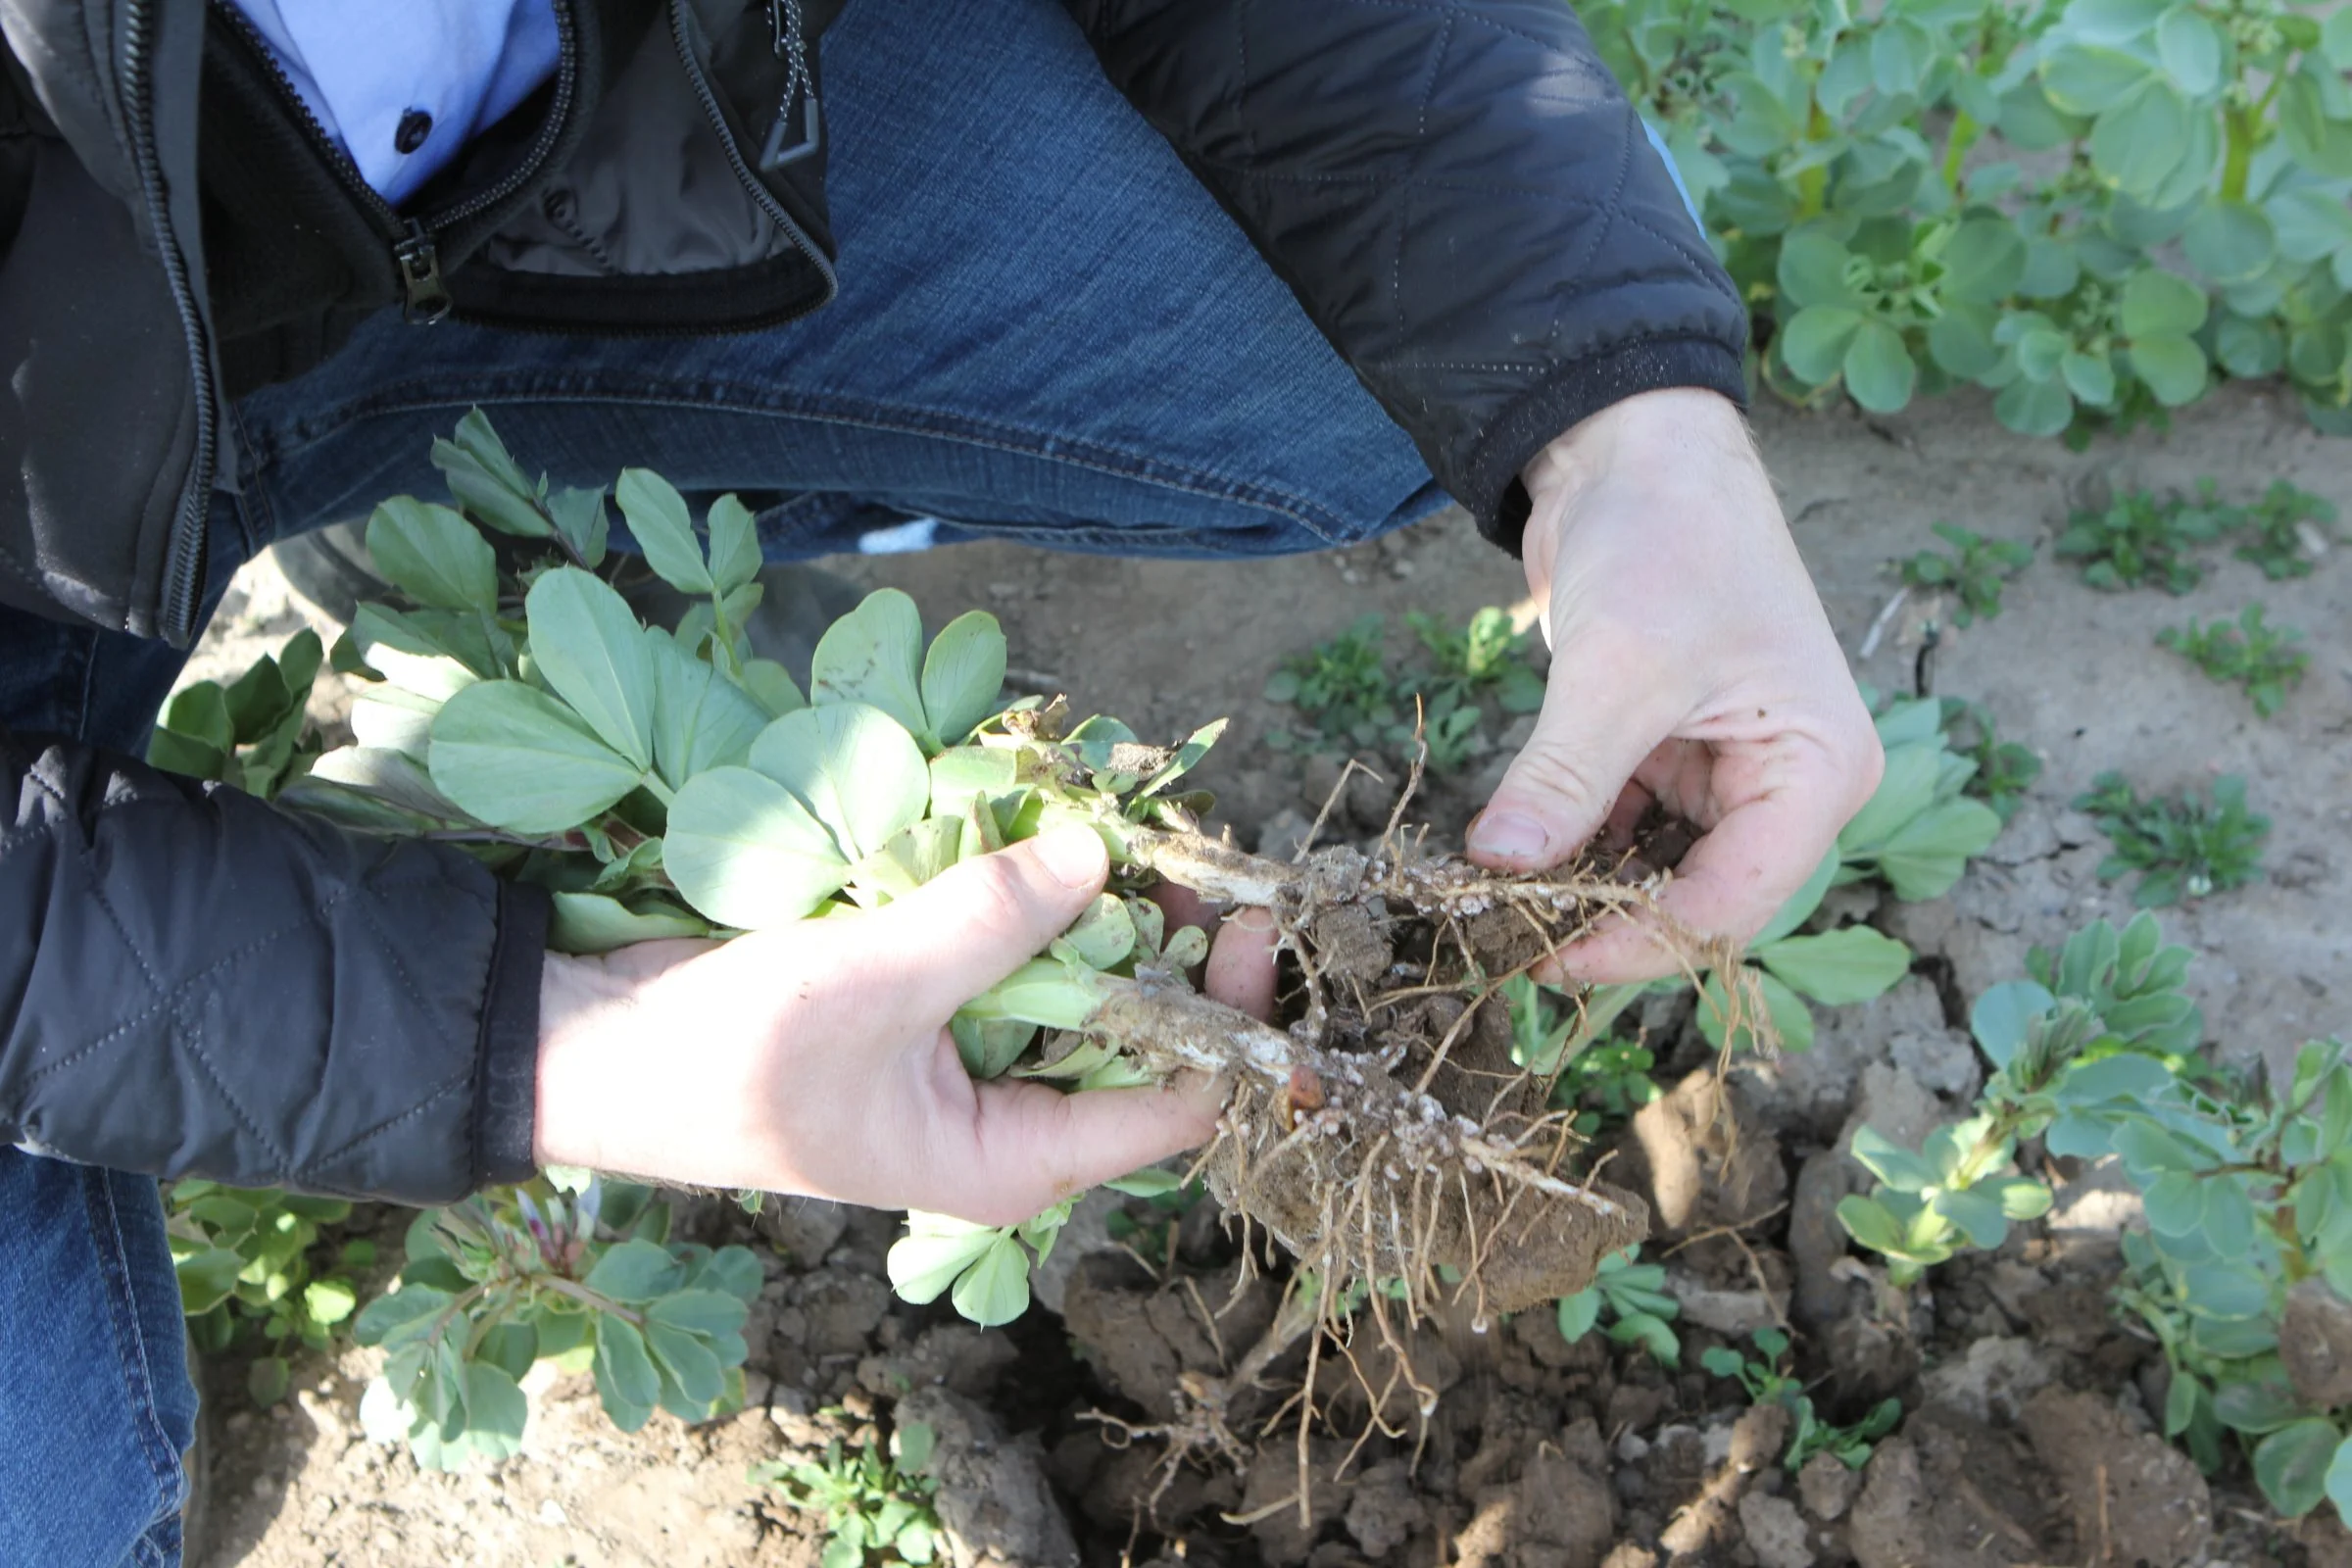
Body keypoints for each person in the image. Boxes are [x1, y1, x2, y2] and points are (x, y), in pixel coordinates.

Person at [0, 1, 1883, 1560]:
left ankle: (497, 508)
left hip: (554, 140)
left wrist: (1626, 422)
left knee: (1397, 343)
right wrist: (547, 1041)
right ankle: (452, 558)